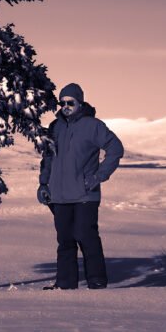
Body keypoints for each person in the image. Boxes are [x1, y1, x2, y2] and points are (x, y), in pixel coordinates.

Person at [37, 83, 124, 289]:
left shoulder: (93, 125)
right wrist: (43, 184)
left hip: (85, 194)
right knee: (65, 240)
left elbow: (116, 148)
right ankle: (65, 283)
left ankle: (96, 280)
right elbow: (47, 158)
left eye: (71, 102)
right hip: (59, 195)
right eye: (63, 102)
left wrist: (99, 176)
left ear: (80, 102)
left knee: (86, 236)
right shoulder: (55, 127)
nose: (66, 106)